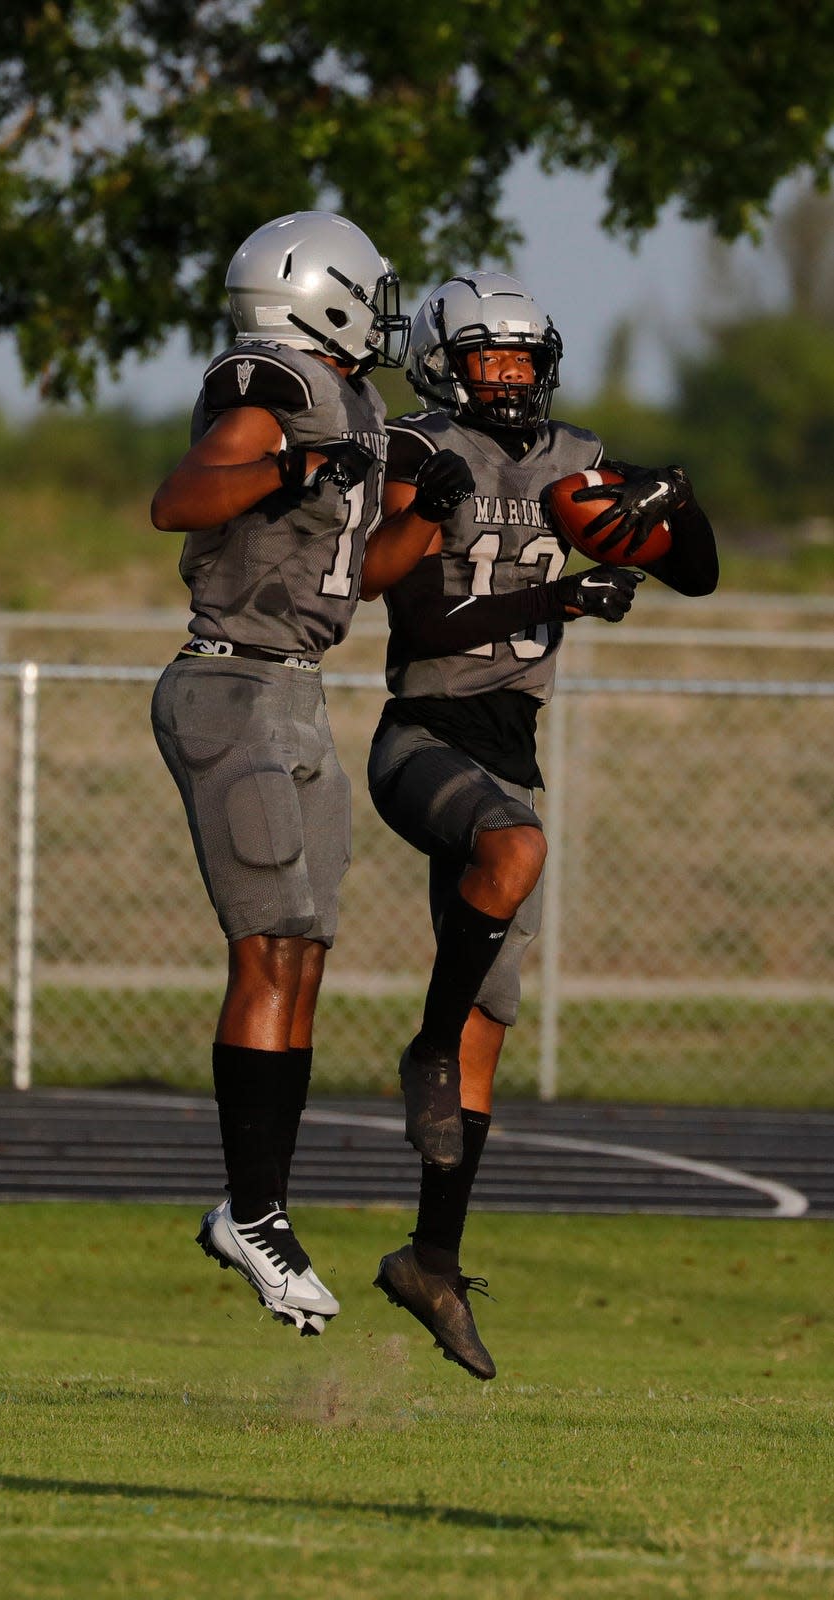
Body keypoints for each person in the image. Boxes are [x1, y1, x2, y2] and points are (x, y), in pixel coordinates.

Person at [363, 271, 719, 1378]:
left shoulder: (573, 454)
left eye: (523, 359)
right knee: (512, 852)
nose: (510, 377)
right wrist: (558, 597)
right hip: (423, 734)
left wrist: (669, 503)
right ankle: (418, 1049)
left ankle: (429, 1257)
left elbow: (697, 578)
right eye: (490, 359)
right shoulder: (421, 451)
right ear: (443, 361)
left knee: (488, 1030)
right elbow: (419, 612)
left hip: (512, 753)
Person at [149, 210, 458, 1340]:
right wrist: (284, 455)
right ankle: (255, 1211)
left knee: (303, 950)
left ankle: (253, 1206)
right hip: (229, 685)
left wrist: (429, 518)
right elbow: (179, 498)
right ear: (314, 292)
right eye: (365, 291)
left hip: (297, 687)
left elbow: (352, 574)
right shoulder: (267, 382)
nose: (379, 313)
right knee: (267, 941)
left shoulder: (355, 403)